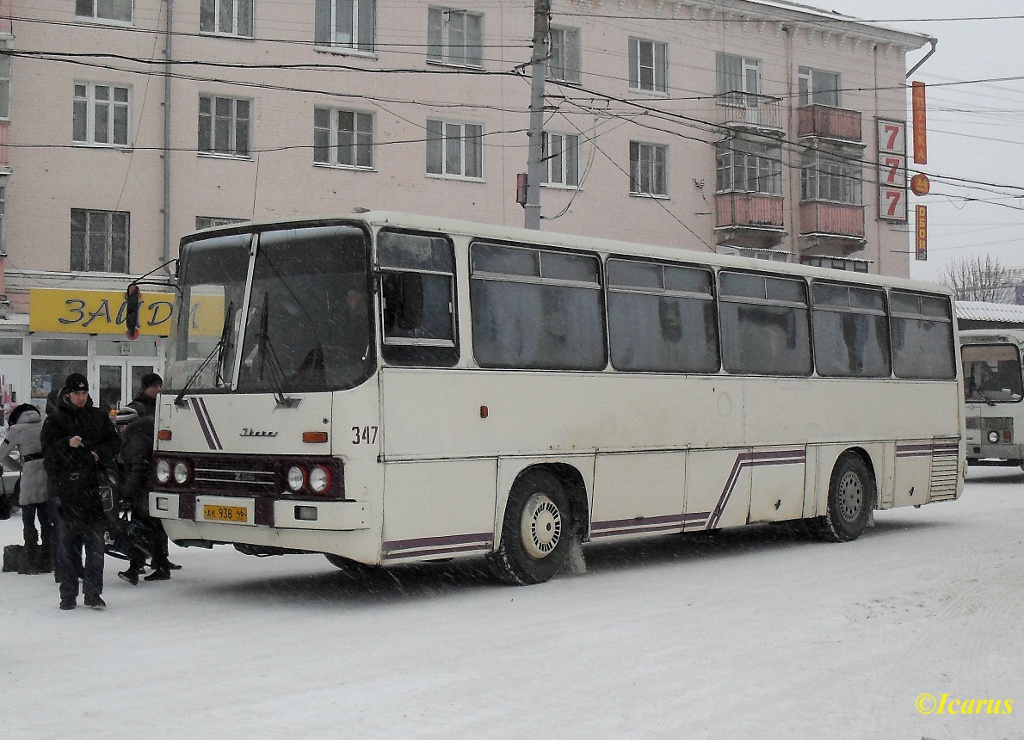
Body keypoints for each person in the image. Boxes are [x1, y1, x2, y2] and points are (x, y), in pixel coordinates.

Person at [41, 373, 120, 611]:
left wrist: (99, 454)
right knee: (67, 548)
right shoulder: (56, 420)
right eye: (77, 393)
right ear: (67, 394)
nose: (81, 397)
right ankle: (67, 594)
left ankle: (93, 592)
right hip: (66, 492)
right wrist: (67, 444)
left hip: (93, 491)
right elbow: (47, 456)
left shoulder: (97, 417)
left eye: (84, 393)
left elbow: (114, 443)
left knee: (96, 547)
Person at [116, 412, 174, 583]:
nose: (119, 429)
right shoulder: (146, 434)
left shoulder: (136, 440)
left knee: (140, 530)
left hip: (143, 491)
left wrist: (126, 491)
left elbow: (137, 469)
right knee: (153, 529)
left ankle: (136, 567)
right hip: (151, 489)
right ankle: (158, 565)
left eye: (121, 425)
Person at [0, 403, 51, 574]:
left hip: (29, 474)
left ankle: (31, 559)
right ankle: (48, 557)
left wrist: (17, 466)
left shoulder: (16, 430)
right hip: (47, 472)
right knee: (46, 518)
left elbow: (1, 454)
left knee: (28, 518)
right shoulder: (46, 424)